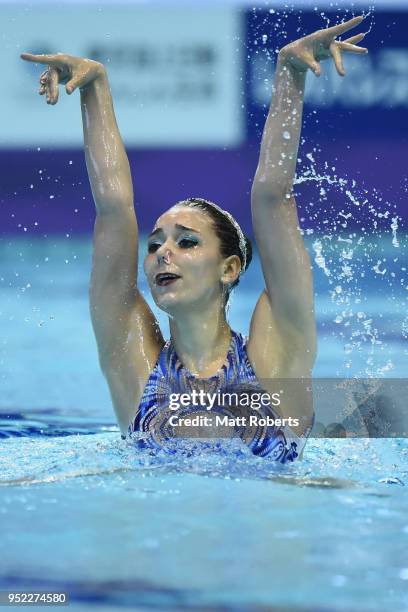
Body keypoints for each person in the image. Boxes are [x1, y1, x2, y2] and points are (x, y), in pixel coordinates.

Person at [21, 15, 368, 462]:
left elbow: (272, 197)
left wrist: (289, 74)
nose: (163, 252)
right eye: (155, 244)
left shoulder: (275, 354)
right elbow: (113, 210)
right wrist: (95, 87)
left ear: (230, 268)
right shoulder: (134, 361)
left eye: (186, 242)